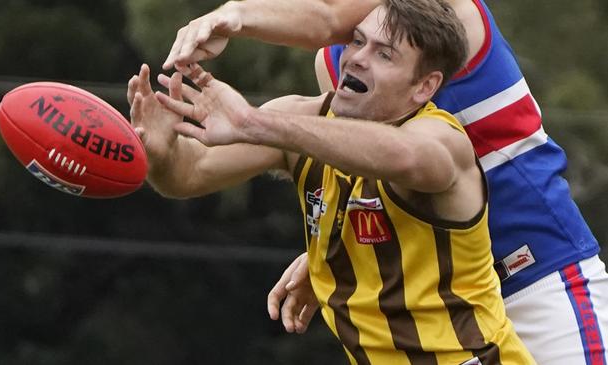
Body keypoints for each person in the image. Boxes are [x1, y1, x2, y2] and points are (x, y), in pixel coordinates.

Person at [164, 1, 608, 364]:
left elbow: (327, 18)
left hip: (539, 272)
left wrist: (234, 15)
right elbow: (371, 178)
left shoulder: (444, 10)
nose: (361, 50)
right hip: (451, 308)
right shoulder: (338, 63)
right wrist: (332, 253)